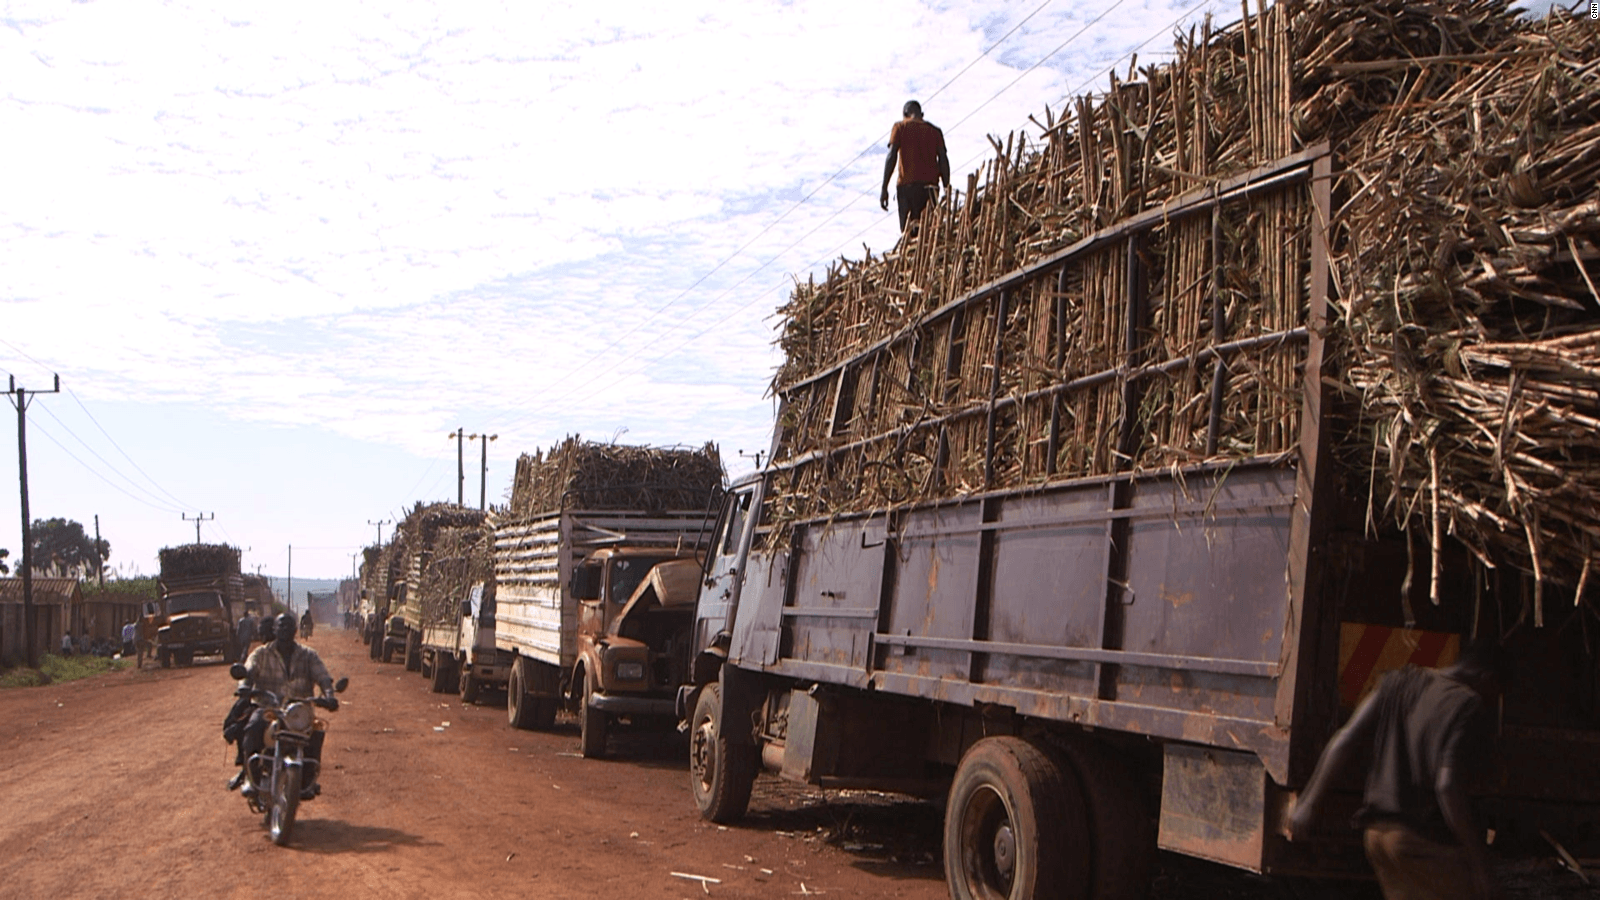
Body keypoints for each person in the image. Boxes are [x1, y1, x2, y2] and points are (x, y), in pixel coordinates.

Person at [1288, 643, 1511, 900]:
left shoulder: (1398, 681)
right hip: (1422, 842)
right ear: (1488, 678)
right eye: (1498, 693)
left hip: (1378, 838)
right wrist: (1479, 862)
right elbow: (1447, 785)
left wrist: (1309, 802)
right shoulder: (1466, 704)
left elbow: (1346, 737)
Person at [228, 613, 336, 798]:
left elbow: (323, 677)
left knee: (316, 732)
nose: (284, 630)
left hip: (298, 712)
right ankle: (250, 777)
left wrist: (329, 695)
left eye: (288, 627)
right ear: (274, 630)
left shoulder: (308, 655)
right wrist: (245, 687)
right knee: (253, 727)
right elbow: (249, 672)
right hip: (268, 709)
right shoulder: (261, 653)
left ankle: (308, 780)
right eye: (280, 626)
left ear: (295, 630)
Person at [879, 100, 950, 233]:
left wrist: (884, 188)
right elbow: (943, 160)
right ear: (921, 114)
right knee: (929, 232)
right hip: (930, 189)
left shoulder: (900, 127)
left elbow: (891, 156)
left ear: (905, 115)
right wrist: (947, 187)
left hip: (907, 188)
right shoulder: (935, 131)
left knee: (909, 234)